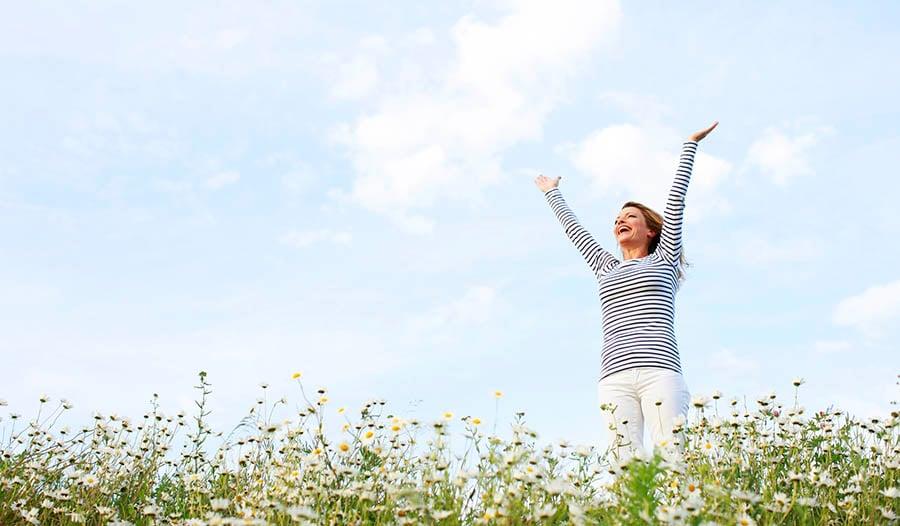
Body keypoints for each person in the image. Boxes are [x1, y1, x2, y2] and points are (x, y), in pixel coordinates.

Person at [534, 122, 718, 460]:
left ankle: (677, 513)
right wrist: (552, 192)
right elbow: (574, 230)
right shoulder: (606, 267)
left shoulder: (664, 259)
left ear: (649, 230)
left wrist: (689, 146)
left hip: (659, 370)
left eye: (630, 216)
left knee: (671, 457)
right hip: (613, 376)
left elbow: (676, 203)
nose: (621, 220)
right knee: (625, 462)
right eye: (618, 217)